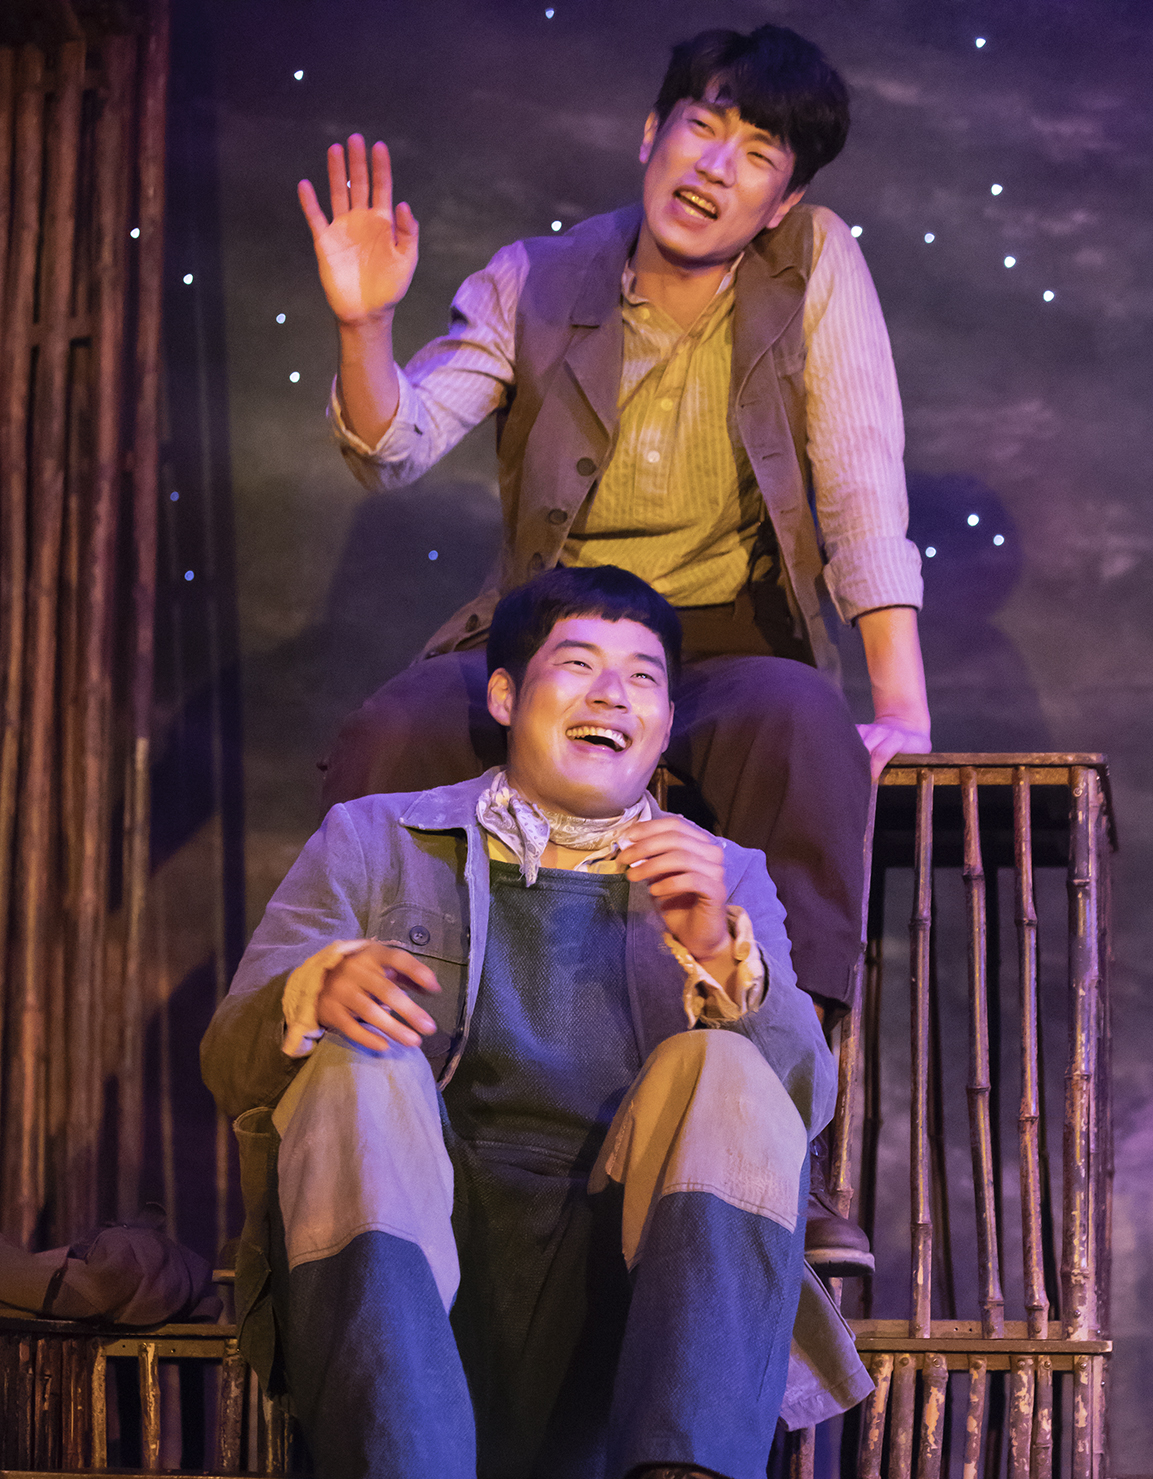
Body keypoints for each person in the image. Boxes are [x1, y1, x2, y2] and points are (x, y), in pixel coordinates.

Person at [299, 23, 931, 1273]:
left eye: (758, 153)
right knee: (395, 728)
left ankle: (778, 1138)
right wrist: (365, 329)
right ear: (652, 134)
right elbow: (396, 445)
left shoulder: (813, 265)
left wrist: (899, 698)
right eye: (702, 125)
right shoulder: (535, 278)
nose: (716, 166)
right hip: (558, 625)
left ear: (783, 200)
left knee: (802, 726)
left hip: (726, 644)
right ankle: (376, 1107)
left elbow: (862, 478)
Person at [201, 566, 872, 1479]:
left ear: (665, 724)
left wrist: (722, 954)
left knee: (731, 1066)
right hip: (414, 1302)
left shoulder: (724, 874)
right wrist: (308, 993)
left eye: (643, 678)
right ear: (507, 695)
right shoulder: (374, 840)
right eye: (579, 665)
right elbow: (231, 1061)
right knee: (356, 1065)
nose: (612, 694)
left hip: (629, 1328)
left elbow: (803, 1100)